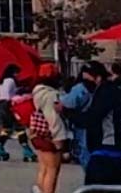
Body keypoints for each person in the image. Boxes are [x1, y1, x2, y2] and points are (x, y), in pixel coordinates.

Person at [74, 62, 121, 186]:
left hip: (107, 145)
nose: (85, 84)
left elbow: (94, 115)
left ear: (98, 78)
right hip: (106, 146)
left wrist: (72, 115)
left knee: (98, 182)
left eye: (87, 80)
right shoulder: (105, 91)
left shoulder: (106, 92)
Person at [29, 63, 72, 193]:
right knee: (53, 170)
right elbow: (53, 118)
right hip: (50, 135)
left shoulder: (37, 92)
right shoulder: (51, 95)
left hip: (38, 133)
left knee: (43, 168)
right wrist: (59, 141)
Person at [0, 64, 34, 162]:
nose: (17, 75)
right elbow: (8, 94)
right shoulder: (10, 80)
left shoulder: (1, 81)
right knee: (19, 127)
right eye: (16, 73)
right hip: (8, 105)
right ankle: (27, 150)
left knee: (6, 128)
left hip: (0, 104)